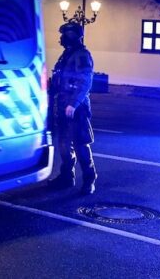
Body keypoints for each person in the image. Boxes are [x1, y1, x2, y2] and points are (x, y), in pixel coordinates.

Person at [48, 21, 97, 195]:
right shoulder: (66, 55)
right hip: (62, 106)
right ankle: (66, 177)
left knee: (80, 145)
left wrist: (73, 104)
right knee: (63, 145)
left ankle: (89, 180)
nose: (62, 37)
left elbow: (85, 81)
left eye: (66, 34)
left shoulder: (82, 55)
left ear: (75, 36)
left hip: (76, 108)